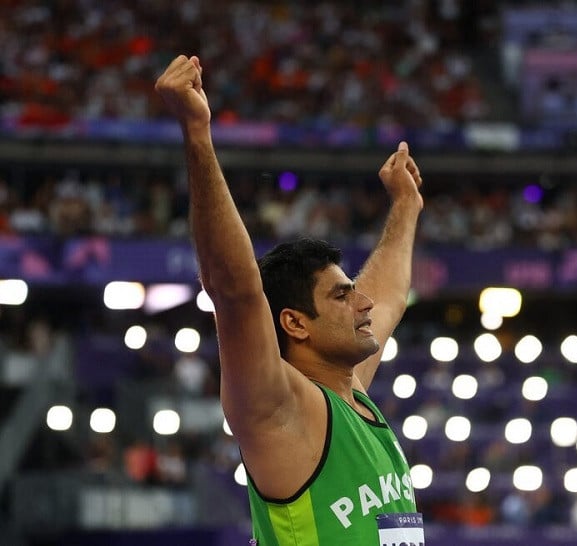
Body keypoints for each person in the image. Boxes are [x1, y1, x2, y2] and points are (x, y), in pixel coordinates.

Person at [155, 55, 425, 545]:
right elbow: (235, 292)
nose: (363, 304)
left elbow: (387, 300)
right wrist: (197, 134)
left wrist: (406, 209)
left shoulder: (350, 396)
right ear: (296, 324)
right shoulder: (279, 409)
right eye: (342, 296)